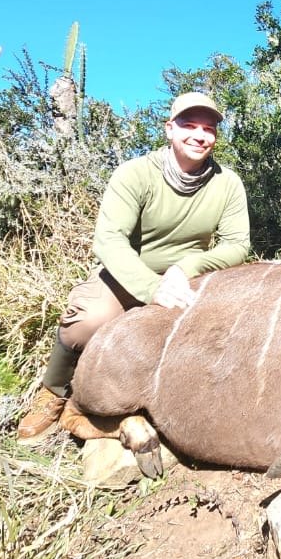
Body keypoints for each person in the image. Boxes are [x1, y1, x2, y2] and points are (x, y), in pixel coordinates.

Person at [18, 91, 251, 439]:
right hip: (129, 276)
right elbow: (108, 240)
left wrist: (187, 268)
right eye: (190, 125)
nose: (200, 135)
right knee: (86, 322)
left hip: (190, 280)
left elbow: (237, 245)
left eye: (209, 128)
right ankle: (53, 392)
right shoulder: (136, 173)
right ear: (169, 129)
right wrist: (151, 287)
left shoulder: (227, 182)